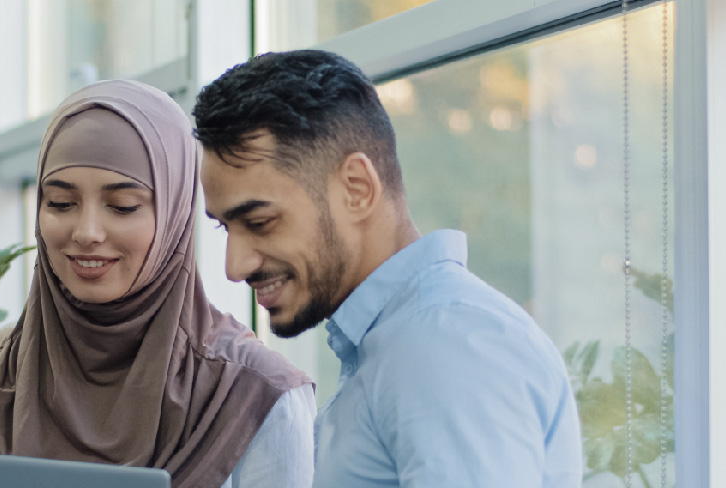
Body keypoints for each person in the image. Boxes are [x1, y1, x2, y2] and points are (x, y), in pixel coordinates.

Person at [192, 50, 582, 487]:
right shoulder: (398, 343)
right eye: (226, 227)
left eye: (260, 222)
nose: (234, 265)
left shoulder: (445, 344)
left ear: (356, 189)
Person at [0, 80, 316, 488]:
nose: (87, 231)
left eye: (123, 206)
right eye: (60, 203)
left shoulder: (253, 394)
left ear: (176, 213)